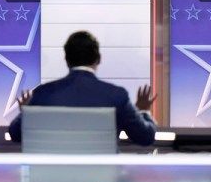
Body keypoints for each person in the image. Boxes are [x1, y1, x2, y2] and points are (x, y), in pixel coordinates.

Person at [8, 31, 158, 146]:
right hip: (102, 180)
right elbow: (145, 137)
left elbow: (15, 135)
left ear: (66, 59)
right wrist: (144, 111)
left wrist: (26, 112)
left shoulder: (43, 94)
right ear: (98, 59)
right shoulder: (117, 96)